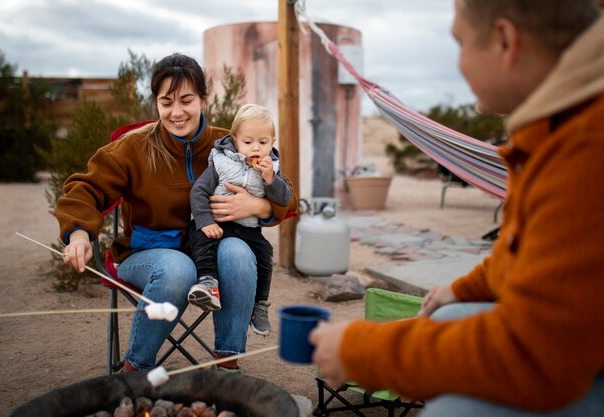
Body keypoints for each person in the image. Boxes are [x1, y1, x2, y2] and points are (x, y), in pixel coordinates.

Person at [310, 1, 604, 416]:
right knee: (452, 315)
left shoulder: (586, 148)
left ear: (505, 41)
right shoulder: (557, 124)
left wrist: (360, 350)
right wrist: (457, 289)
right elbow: (525, 254)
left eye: (461, 43)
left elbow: (535, 356)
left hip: (565, 362)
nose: (459, 63)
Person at [55, 53, 297, 372]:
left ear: (203, 100)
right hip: (148, 255)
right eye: (166, 101)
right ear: (156, 103)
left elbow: (288, 192)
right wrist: (79, 233)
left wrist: (260, 205)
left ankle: (227, 365)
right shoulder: (134, 147)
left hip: (208, 252)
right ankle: (135, 372)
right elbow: (84, 189)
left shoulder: (230, 144)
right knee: (178, 270)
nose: (177, 112)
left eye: (186, 100)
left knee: (238, 252)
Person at [187, 103, 291, 337]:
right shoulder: (221, 161)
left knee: (265, 254)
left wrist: (270, 179)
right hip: (216, 222)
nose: (255, 148)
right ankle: (207, 284)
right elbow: (198, 192)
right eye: (248, 142)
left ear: (272, 142)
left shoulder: (271, 167)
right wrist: (205, 221)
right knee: (201, 237)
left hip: (247, 227)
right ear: (235, 140)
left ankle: (260, 306)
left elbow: (285, 199)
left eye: (263, 143)